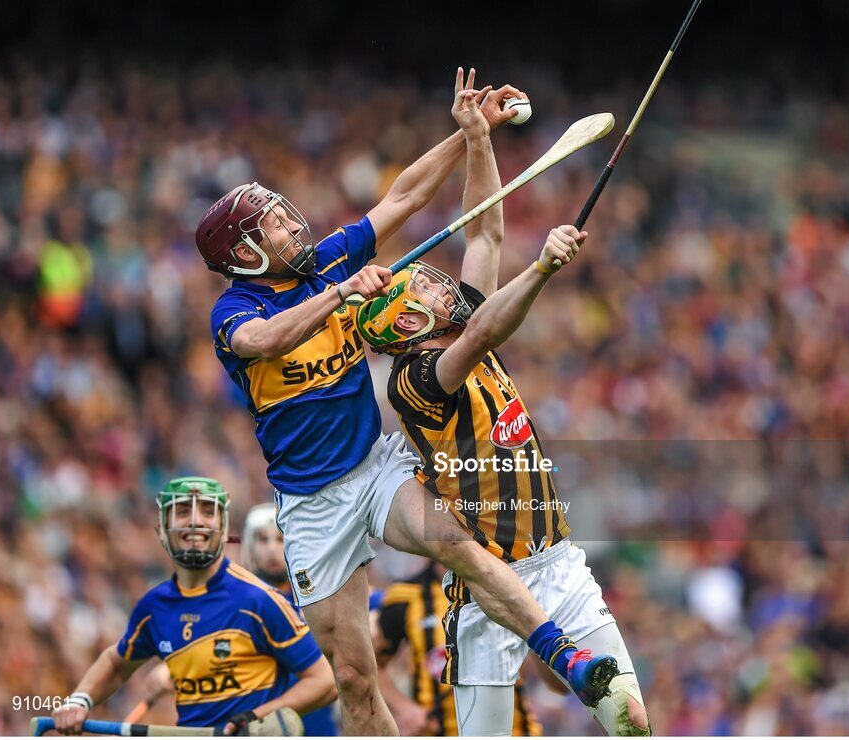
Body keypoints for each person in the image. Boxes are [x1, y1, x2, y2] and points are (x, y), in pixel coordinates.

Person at [196, 69, 621, 735]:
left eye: (281, 213)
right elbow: (265, 340)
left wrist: (466, 135)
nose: (291, 223)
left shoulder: (326, 262)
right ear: (246, 254)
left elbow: (406, 195)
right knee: (356, 681)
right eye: (273, 225)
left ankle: (565, 656)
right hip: (312, 504)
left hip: (373, 466)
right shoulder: (236, 308)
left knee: (458, 545)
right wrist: (340, 295)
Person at [355, 85, 651, 735]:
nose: (440, 283)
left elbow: (486, 229)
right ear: (406, 320)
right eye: (426, 286)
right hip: (490, 593)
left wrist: (480, 141)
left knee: (630, 720)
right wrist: (542, 267)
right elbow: (486, 332)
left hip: (559, 563)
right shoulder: (415, 379)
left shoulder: (457, 323)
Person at [50, 477, 337, 735]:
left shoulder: (259, 600)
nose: (196, 521)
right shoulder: (154, 606)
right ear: (162, 530)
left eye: (208, 512)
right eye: (183, 511)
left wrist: (255, 717)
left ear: (224, 529)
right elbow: (116, 663)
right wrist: (79, 700)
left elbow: (325, 682)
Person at [372, 557, 544, 736]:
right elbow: (370, 665)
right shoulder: (405, 594)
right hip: (438, 731)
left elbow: (553, 682)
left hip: (516, 732)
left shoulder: (509, 584)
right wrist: (404, 709)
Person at [241, 504, 340, 736]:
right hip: (257, 724)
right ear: (249, 546)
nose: (272, 549)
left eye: (279, 538)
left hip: (316, 726)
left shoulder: (319, 595)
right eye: (263, 540)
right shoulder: (240, 601)